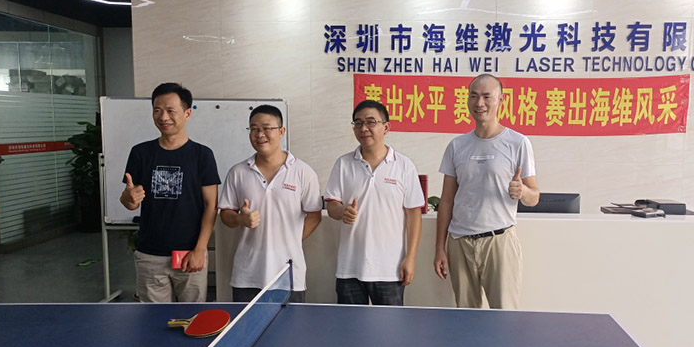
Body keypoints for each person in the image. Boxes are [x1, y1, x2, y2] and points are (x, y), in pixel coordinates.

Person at [433, 74, 539, 309]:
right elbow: (447, 201)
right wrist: (440, 247)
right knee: (466, 317)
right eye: (473, 96)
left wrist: (522, 191)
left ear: (501, 100)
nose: (479, 103)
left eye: (486, 96)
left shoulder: (518, 142)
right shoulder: (456, 146)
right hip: (460, 243)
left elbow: (534, 196)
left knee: (504, 316)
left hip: (498, 242)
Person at [120, 82, 220, 302]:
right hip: (150, 254)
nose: (163, 117)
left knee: (192, 317)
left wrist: (200, 250)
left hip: (189, 253)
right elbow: (130, 201)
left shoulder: (202, 155)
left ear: (187, 113)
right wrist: (128, 199)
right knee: (153, 319)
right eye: (157, 110)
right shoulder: (140, 153)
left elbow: (211, 205)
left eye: (170, 110)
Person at [324, 100, 424, 306]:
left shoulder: (404, 166)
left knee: (390, 326)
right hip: (350, 268)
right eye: (358, 123)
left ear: (386, 127)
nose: (364, 128)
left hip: (390, 269)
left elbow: (414, 214)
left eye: (371, 122)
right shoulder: (343, 164)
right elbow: (332, 205)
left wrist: (411, 258)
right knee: (350, 325)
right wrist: (342, 211)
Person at [218, 104, 321, 302]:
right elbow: (226, 215)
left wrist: (289, 240)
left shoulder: (303, 172)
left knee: (291, 323)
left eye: (267, 128)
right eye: (254, 129)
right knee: (247, 323)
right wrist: (240, 219)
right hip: (247, 275)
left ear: (281, 131)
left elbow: (315, 216)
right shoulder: (238, 172)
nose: (260, 134)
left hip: (289, 275)